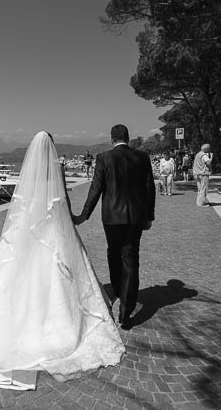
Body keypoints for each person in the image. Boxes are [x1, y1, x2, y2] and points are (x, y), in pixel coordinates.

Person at [0, 131, 125, 390]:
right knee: (59, 272)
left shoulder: (29, 170)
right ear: (53, 150)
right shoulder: (58, 168)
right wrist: (71, 224)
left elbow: (22, 204)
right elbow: (62, 202)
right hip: (53, 227)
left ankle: (13, 321)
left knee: (16, 272)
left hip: (30, 226)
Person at [72, 124, 156, 331]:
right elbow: (150, 189)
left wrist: (84, 215)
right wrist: (149, 216)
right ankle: (126, 314)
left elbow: (96, 188)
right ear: (128, 138)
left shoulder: (104, 158)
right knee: (131, 258)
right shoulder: (142, 157)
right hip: (135, 217)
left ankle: (118, 288)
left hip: (111, 216)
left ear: (112, 139)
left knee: (113, 252)